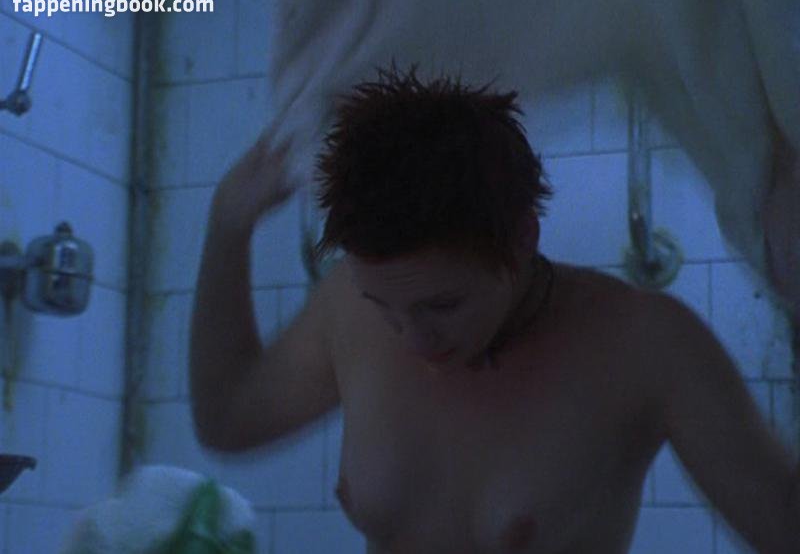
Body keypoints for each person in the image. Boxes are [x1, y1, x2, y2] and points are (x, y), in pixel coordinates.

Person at [190, 65, 799, 553]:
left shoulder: (643, 344)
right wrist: (227, 224)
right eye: (384, 305)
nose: (413, 339)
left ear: (522, 239)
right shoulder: (346, 307)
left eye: (442, 304)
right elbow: (228, 422)